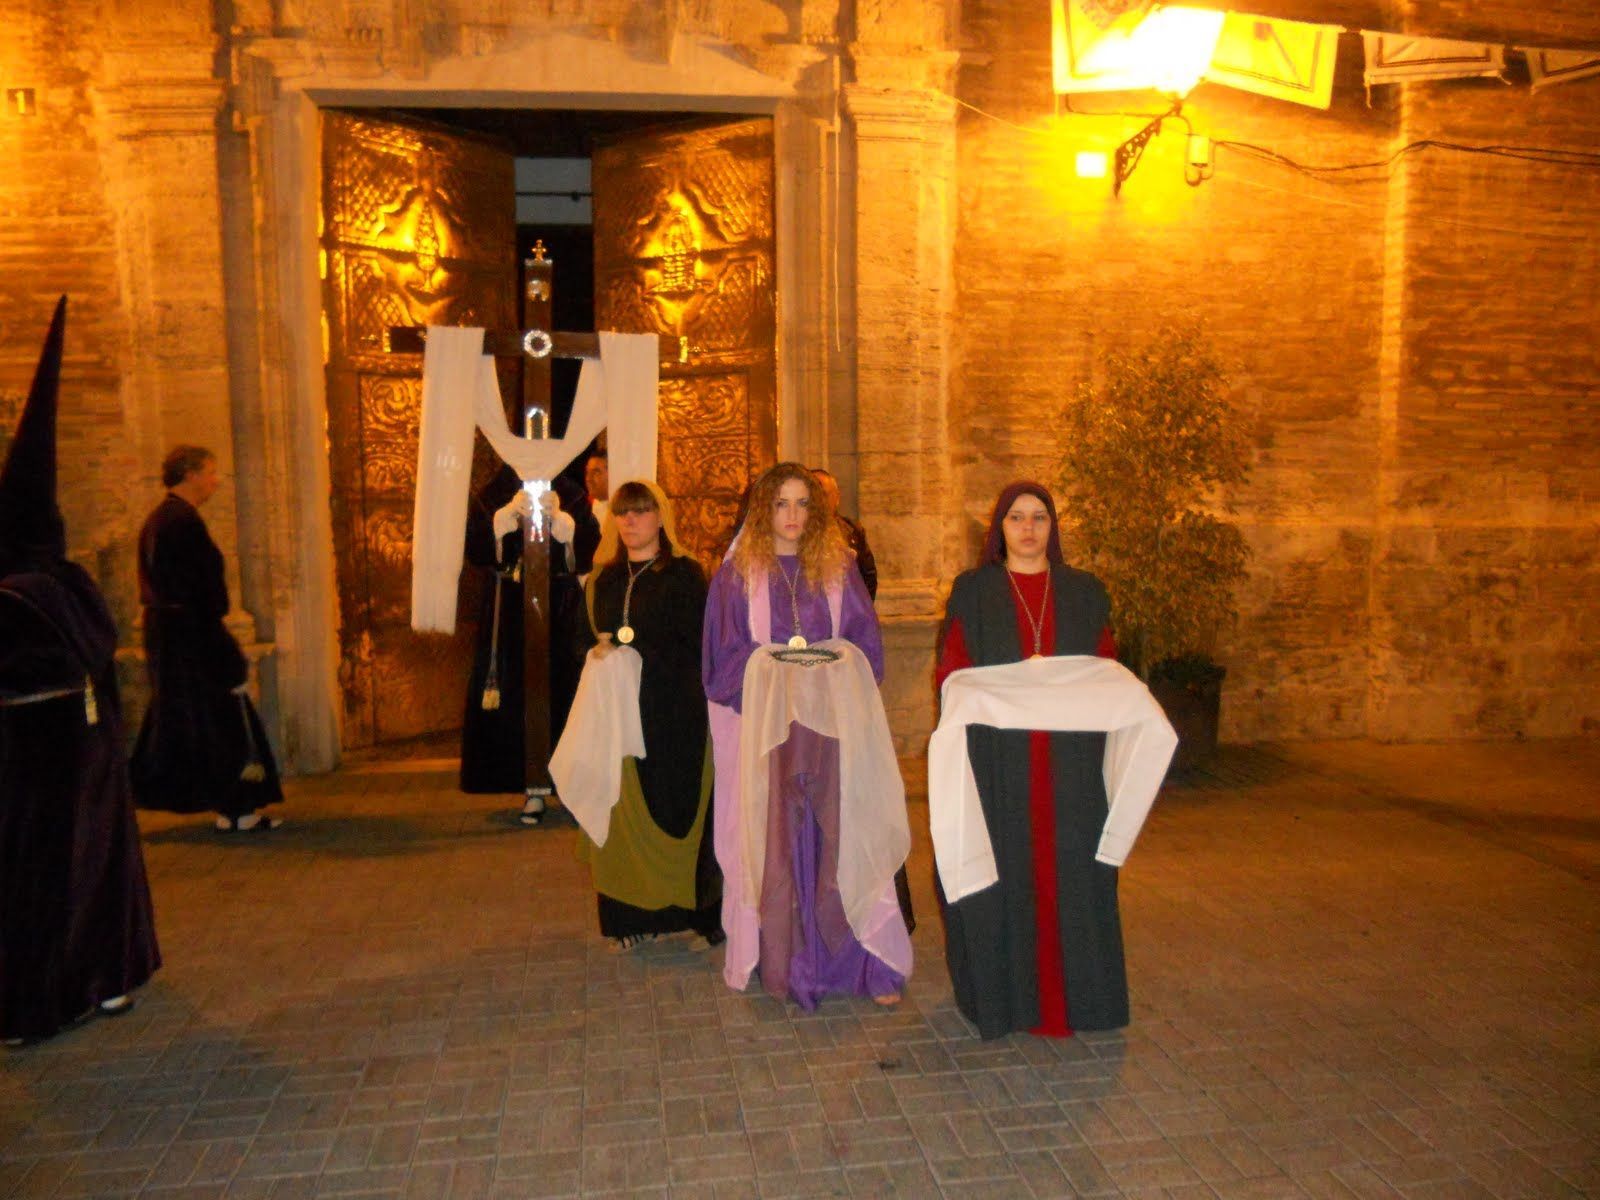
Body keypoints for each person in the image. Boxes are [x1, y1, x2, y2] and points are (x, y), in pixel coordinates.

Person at [1, 297, 160, 1043]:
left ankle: (26, 1004)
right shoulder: (56, 584)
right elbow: (98, 645)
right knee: (81, 865)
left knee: (24, 874)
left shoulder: (23, 587)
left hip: (24, 758)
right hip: (74, 753)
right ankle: (99, 981)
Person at [703, 462, 912, 1009]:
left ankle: (861, 964)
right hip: (770, 738)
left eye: (802, 504)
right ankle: (789, 965)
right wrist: (770, 667)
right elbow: (721, 663)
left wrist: (835, 660)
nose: (792, 515)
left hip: (831, 732)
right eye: (781, 504)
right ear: (763, 510)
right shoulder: (736, 577)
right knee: (778, 848)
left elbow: (866, 648)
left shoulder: (839, 569)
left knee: (842, 839)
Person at [935, 481, 1127, 1040]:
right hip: (1001, 760)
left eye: (1038, 517)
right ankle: (1008, 1001)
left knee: (1075, 871)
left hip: (1071, 761)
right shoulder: (975, 591)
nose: (1027, 528)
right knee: (1006, 870)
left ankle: (1081, 1001)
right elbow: (953, 672)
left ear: (1052, 527)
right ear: (1000, 528)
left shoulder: (1084, 592)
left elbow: (1107, 666)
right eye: (1016, 517)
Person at [553, 479, 722, 952]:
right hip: (617, 722)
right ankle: (629, 921)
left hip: (675, 717)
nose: (630, 521)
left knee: (681, 810)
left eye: (641, 511)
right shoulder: (602, 580)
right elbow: (579, 640)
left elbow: (700, 644)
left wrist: (640, 656)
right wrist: (598, 655)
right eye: (623, 513)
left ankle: (698, 918)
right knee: (619, 814)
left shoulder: (685, 575)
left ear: (660, 517)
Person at [131, 445, 283, 831]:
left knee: (193, 719)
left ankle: (232, 808)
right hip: (190, 636)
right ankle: (238, 808)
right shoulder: (179, 522)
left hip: (176, 635)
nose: (216, 481)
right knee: (220, 719)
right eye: (211, 472)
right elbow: (197, 591)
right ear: (190, 474)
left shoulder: (165, 520)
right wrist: (222, 650)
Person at [458, 464, 599, 825]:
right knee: (520, 694)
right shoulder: (496, 490)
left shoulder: (570, 491)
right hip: (510, 609)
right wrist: (500, 523)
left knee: (566, 693)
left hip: (560, 609)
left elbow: (590, 548)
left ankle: (570, 786)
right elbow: (474, 548)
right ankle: (532, 786)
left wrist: (568, 530)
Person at [810, 467, 877, 600]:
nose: (818, 501)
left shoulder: (853, 531)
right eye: (812, 496)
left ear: (837, 497)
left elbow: (868, 577)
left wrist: (859, 608)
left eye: (824, 495)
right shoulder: (791, 535)